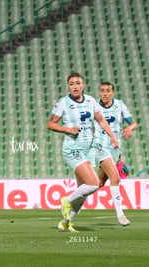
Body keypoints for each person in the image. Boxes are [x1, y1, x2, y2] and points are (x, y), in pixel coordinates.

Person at [47, 72, 119, 232]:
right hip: (73, 148)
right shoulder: (63, 103)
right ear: (68, 86)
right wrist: (67, 129)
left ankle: (65, 222)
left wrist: (113, 136)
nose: (75, 86)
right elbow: (50, 124)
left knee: (83, 193)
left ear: (83, 85)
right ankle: (66, 201)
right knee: (94, 183)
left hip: (89, 149)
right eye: (71, 83)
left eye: (77, 83)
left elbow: (101, 120)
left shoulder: (91, 101)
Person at [90, 81, 137, 226]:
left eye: (107, 91)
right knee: (115, 178)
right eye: (102, 90)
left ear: (112, 93)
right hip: (100, 147)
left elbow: (133, 123)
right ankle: (120, 214)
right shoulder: (94, 107)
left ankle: (72, 202)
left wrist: (130, 128)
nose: (104, 93)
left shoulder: (120, 106)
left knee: (97, 183)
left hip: (115, 149)